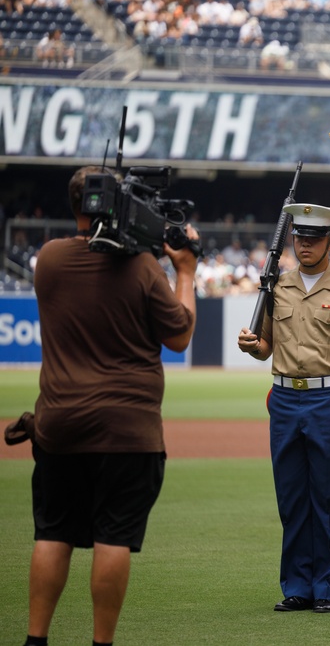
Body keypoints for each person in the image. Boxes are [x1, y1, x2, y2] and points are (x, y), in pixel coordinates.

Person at [23, 165, 198, 646]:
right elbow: (180, 335)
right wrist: (184, 272)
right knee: (112, 538)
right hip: (127, 428)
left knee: (52, 533)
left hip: (58, 422)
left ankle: (35, 638)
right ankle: (102, 642)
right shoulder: (140, 266)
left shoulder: (50, 259)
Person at [237, 203, 330, 614]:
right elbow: (265, 348)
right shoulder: (275, 288)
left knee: (329, 497)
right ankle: (297, 585)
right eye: (300, 238)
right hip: (283, 397)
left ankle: (327, 587)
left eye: (314, 239)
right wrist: (252, 347)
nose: (305, 245)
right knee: (292, 497)